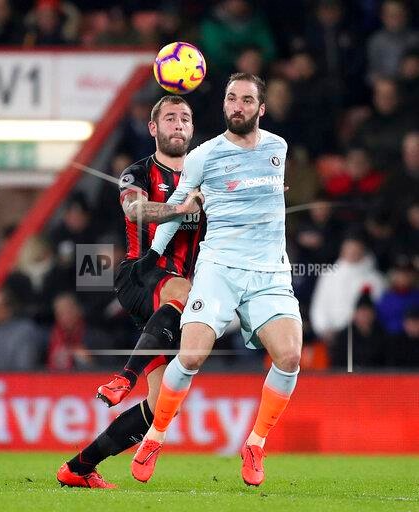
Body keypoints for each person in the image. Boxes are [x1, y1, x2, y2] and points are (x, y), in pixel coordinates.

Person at [130, 73, 303, 487]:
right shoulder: (204, 155)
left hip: (270, 272)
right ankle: (155, 436)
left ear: (261, 108)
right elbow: (175, 206)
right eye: (231, 98)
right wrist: (153, 254)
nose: (237, 106)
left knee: (291, 357)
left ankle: (255, 443)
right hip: (219, 268)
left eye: (246, 100)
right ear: (224, 105)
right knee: (190, 357)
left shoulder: (278, 147)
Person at [56, 95, 204, 488]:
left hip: (166, 309)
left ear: (192, 129)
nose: (178, 124)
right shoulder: (137, 172)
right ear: (153, 128)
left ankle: (79, 468)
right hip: (141, 276)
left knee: (160, 408)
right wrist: (181, 208)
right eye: (169, 118)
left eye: (185, 118)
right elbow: (136, 211)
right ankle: (125, 376)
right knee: (185, 290)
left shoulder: (206, 175)